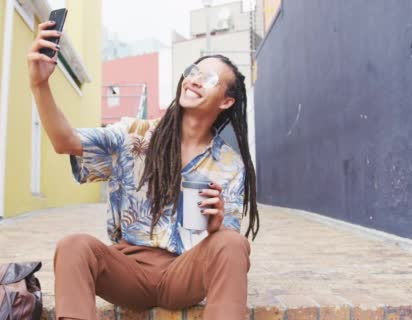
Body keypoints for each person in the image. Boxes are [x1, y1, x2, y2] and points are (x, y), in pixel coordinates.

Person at [27, 20, 260, 320]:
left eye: (210, 78)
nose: (195, 80)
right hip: (128, 270)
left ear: (227, 101)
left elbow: (226, 253)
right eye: (193, 72)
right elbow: (65, 141)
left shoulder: (230, 164)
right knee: (72, 247)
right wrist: (39, 84)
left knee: (232, 243)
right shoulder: (133, 135)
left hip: (185, 272)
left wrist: (215, 227)